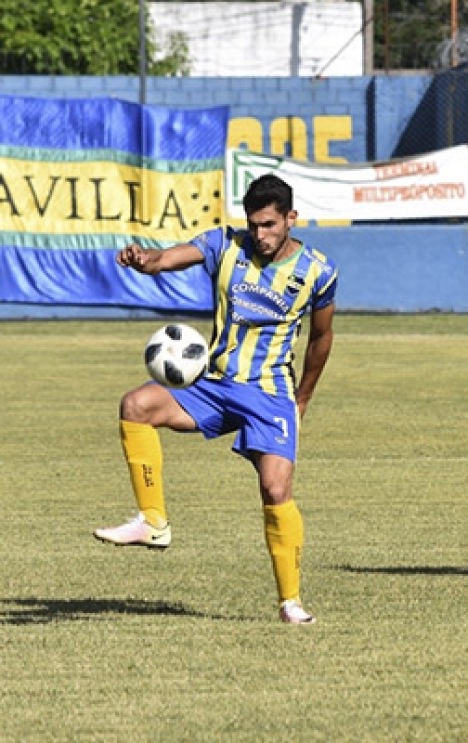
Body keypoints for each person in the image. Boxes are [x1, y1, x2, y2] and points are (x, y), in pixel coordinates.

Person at [94, 174, 339, 625]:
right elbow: (167, 258)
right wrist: (144, 260)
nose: (260, 235)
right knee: (136, 406)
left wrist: (302, 399)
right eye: (254, 225)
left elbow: (322, 339)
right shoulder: (225, 245)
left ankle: (291, 602)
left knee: (275, 489)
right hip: (215, 383)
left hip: (270, 394)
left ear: (290, 219)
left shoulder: (318, 271)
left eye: (269, 225)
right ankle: (153, 521)